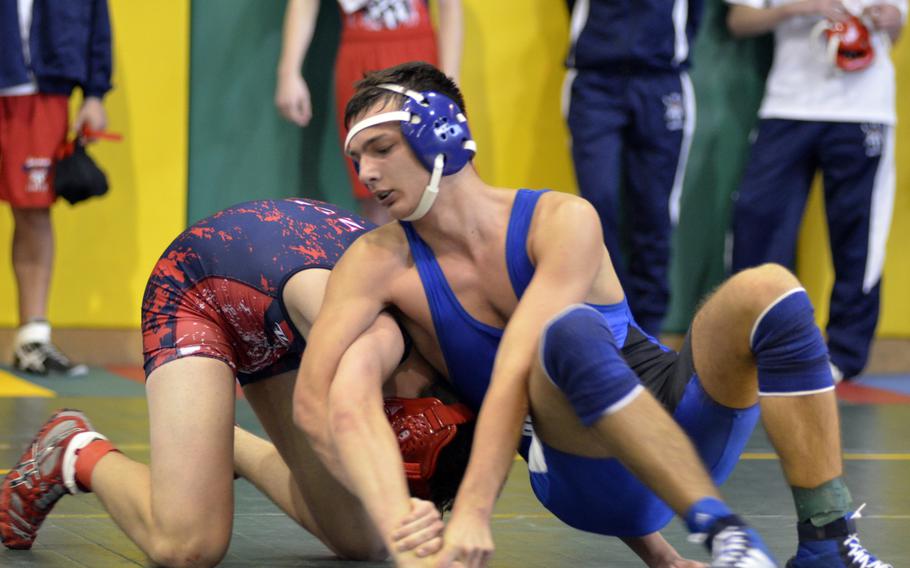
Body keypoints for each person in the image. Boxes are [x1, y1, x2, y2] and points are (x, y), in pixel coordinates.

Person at [294, 61, 892, 568]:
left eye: (381, 148)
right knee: (563, 332)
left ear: (442, 135)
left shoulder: (561, 220)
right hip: (573, 470)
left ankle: (827, 542)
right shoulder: (375, 263)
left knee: (769, 288)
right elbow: (313, 401)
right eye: (356, 157)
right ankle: (722, 529)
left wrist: (657, 554)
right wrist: (389, 511)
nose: (366, 173)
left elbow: (573, 370)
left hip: (677, 421)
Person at [0, 198, 474, 567]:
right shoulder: (369, 345)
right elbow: (321, 420)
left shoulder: (463, 351)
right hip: (202, 284)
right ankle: (74, 449)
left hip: (287, 295)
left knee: (365, 540)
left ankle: (219, 445)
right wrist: (398, 509)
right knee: (187, 545)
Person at [726, 0, 905, 381]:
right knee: (758, 223)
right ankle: (752, 343)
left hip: (864, 111)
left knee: (858, 237)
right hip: (787, 106)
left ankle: (843, 358)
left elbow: (895, 32)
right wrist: (794, 9)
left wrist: (890, 19)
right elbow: (739, 21)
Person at [563, 0, 704, 336]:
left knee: (655, 211)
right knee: (597, 206)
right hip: (594, 80)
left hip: (662, 80)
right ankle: (610, 321)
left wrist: (660, 44)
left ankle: (648, 329)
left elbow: (695, 12)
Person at [0, 0, 113, 376]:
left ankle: (32, 339)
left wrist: (95, 93)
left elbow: (97, 16)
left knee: (34, 212)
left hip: (43, 89)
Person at [275, 0, 462, 225]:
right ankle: (389, 257)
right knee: (374, 183)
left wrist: (449, 81)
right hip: (360, 59)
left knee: (441, 174)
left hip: (418, 54)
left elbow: (449, 6)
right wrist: (289, 72)